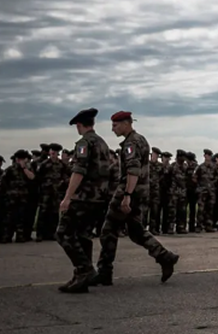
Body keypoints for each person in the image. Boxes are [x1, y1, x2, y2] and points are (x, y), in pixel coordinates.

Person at [93, 111, 178, 286]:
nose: (112, 129)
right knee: (136, 231)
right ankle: (164, 256)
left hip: (128, 192)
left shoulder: (131, 143)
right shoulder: (141, 139)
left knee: (108, 231)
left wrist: (127, 196)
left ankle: (104, 272)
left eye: (115, 125)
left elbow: (133, 170)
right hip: (140, 193)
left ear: (126, 123)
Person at [56, 108, 113, 293]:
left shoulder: (84, 143)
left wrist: (67, 197)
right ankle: (81, 278)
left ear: (80, 125)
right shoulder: (103, 143)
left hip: (84, 198)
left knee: (63, 233)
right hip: (99, 199)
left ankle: (85, 270)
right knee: (82, 235)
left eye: (77, 127)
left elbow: (79, 170)